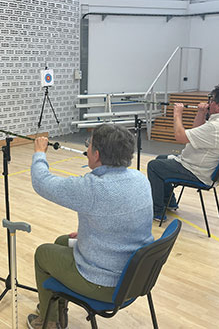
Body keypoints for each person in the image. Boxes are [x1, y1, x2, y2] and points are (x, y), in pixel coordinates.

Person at [27, 124, 154, 329]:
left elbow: (42, 182)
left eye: (90, 145)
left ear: (96, 154)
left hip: (106, 283)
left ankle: (48, 320)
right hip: (136, 274)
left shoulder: (93, 188)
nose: (87, 150)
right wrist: (90, 231)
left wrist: (40, 153)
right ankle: (57, 308)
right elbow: (126, 220)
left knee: (43, 254)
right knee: (61, 241)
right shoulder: (140, 178)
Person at [147, 85, 219, 221]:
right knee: (161, 159)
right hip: (208, 170)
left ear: (218, 105)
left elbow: (180, 137)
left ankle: (157, 212)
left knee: (154, 166)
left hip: (197, 173)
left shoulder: (216, 127)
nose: (209, 103)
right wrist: (201, 113)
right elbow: (195, 134)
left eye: (211, 100)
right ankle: (170, 202)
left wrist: (177, 114)